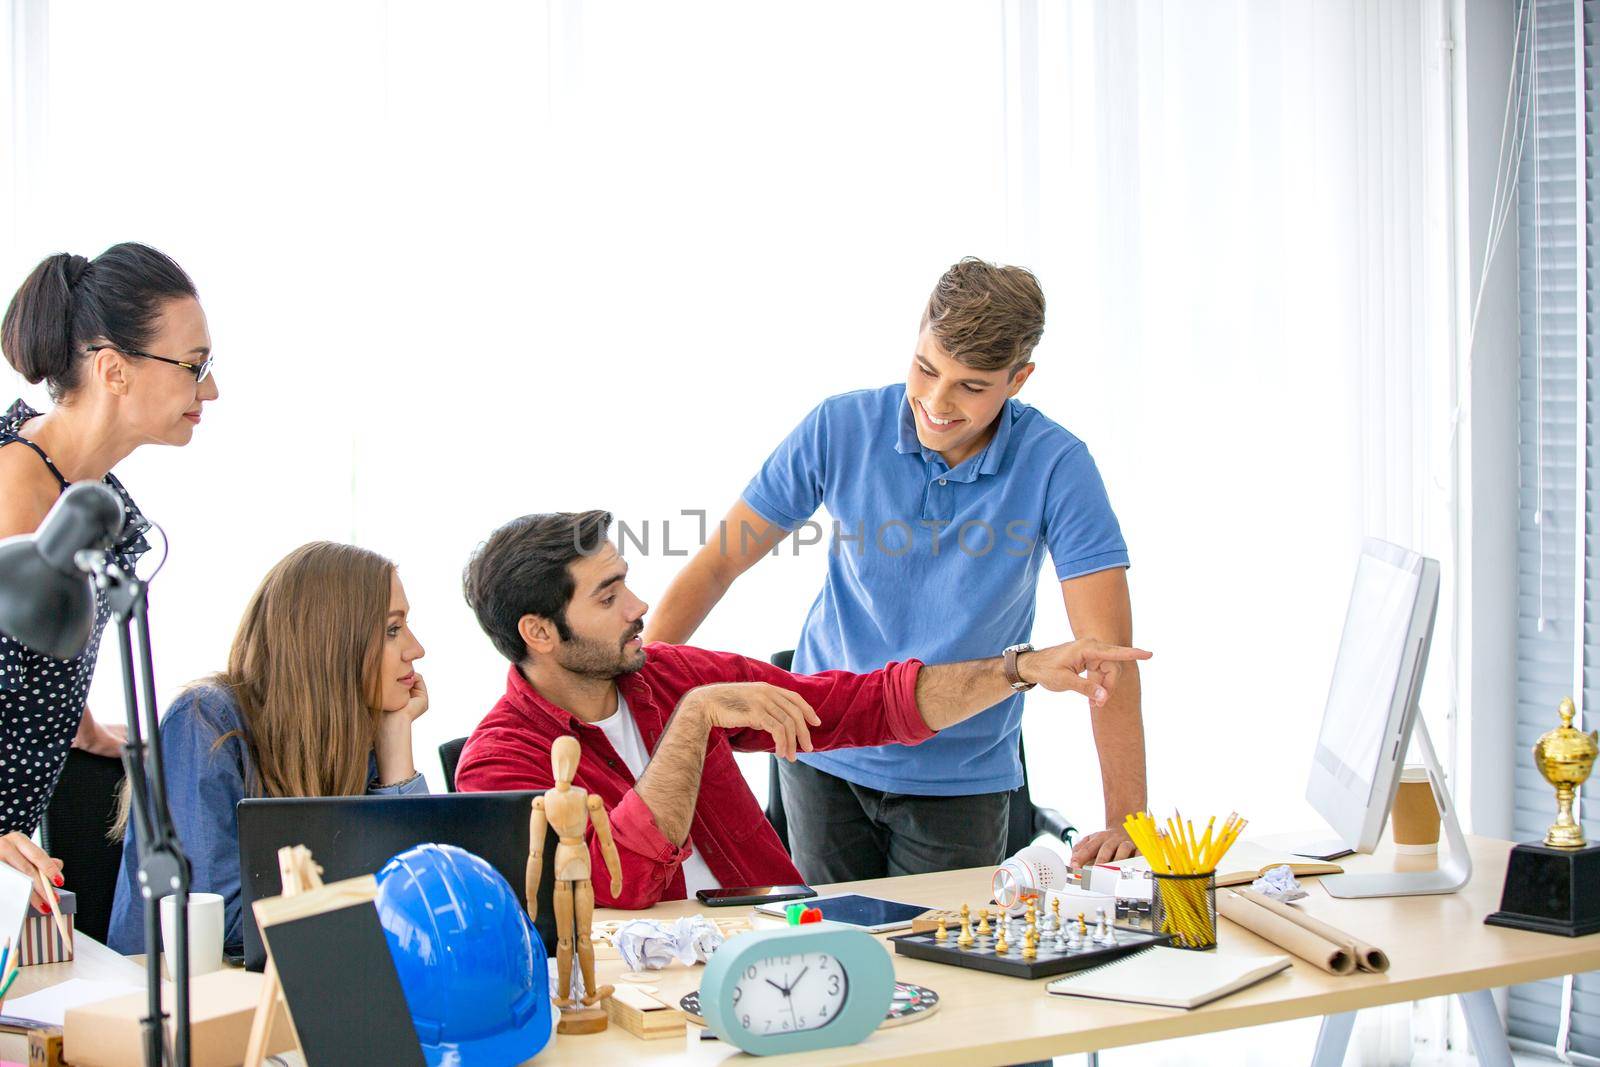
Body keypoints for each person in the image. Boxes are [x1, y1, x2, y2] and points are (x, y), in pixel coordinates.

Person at [644, 257, 1144, 875]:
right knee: (837, 953)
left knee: (944, 964)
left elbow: (1107, 655)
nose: (935, 402)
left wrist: (1125, 820)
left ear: (1018, 380)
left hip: (960, 775)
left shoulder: (1057, 466)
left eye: (971, 386)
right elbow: (718, 565)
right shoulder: (840, 427)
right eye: (926, 369)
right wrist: (635, 691)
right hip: (820, 750)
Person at [455, 511, 1148, 909]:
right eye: (607, 598)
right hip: (652, 1009)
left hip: (781, 949)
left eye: (627, 584)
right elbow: (616, 887)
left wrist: (1019, 666)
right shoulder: (497, 764)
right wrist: (696, 722)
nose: (640, 609)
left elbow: (854, 705)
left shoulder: (666, 677)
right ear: (539, 633)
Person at [0, 244, 216, 910]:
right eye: (194, 366)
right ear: (113, 369)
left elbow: (30, 648)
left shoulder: (93, 496)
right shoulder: (13, 491)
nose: (209, 390)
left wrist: (83, 724)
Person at [106, 542, 430, 955]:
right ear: (328, 641)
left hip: (297, 980)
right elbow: (220, 921)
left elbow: (419, 895)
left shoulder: (351, 732)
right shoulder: (204, 720)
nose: (416, 649)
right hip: (188, 998)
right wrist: (363, 903)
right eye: (392, 629)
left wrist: (396, 747)